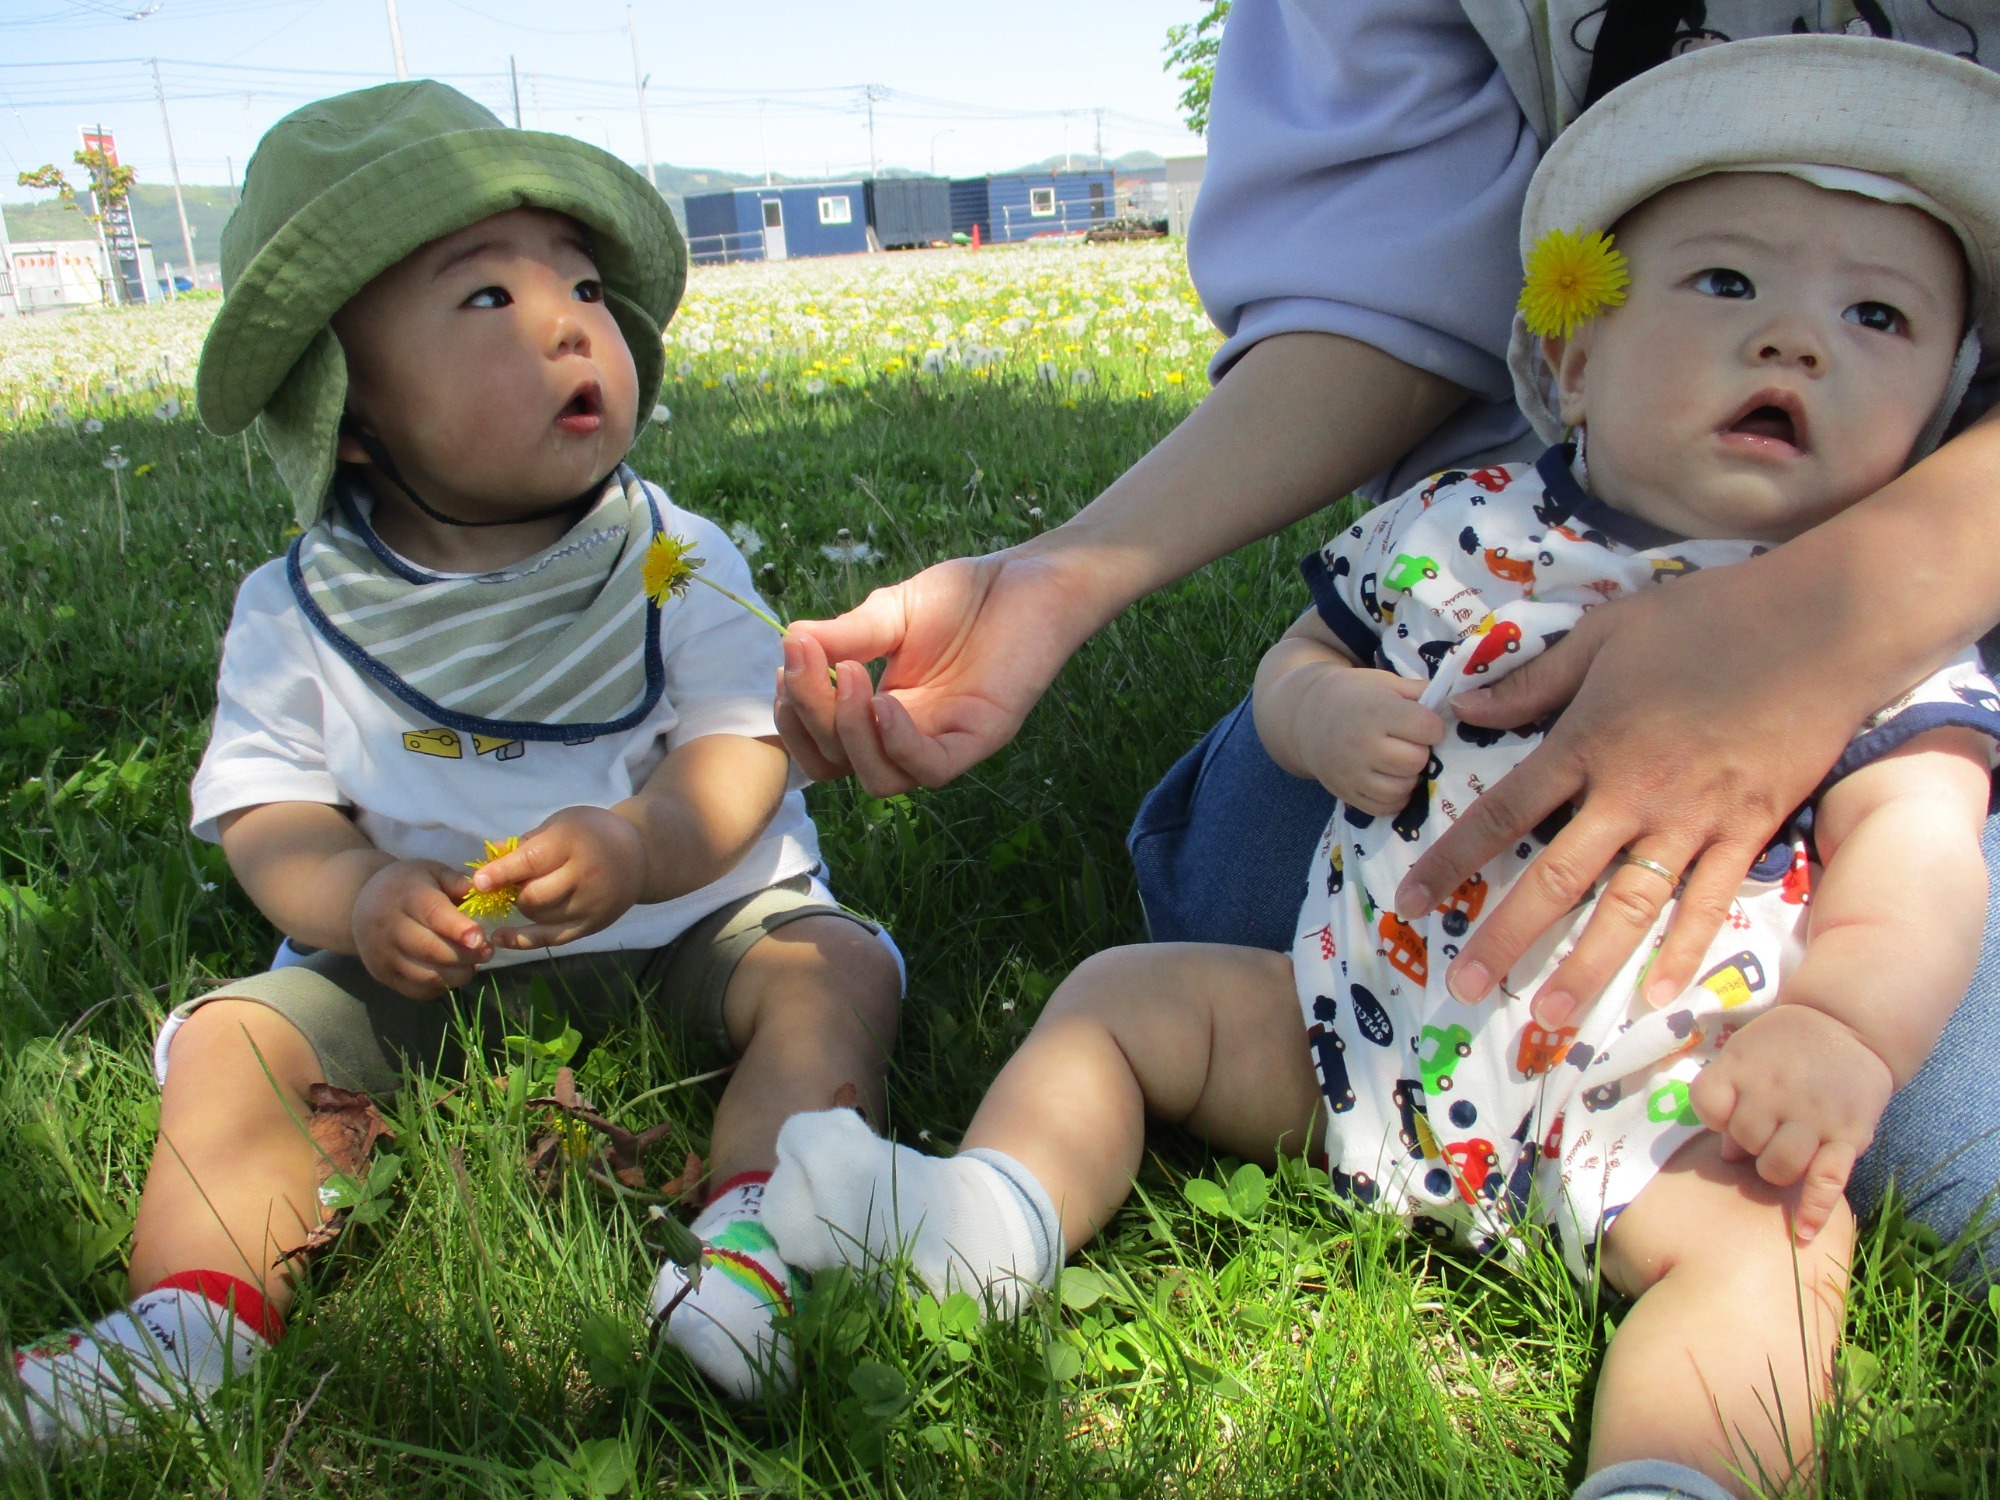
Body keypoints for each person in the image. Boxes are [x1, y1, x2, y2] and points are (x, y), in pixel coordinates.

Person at [755, 36, 2000, 1500]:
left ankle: (1675, 1477)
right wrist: (1317, 719)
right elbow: (1300, 657)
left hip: (1675, 1108)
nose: (1797, 341)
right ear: (1572, 353)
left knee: (1778, 1242)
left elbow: (1921, 851)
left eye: (1877, 315)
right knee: (1122, 1003)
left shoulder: (1900, 638)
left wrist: (1846, 1033)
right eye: (1727, 284)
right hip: (1367, 1029)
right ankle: (990, 1213)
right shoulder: (1462, 526)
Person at [1, 82, 903, 1452]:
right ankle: (192, 1323)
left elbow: (740, 753)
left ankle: (758, 1250)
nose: (566, 320)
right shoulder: (300, 607)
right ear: (346, 407)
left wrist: (644, 846)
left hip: (699, 926)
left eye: (587, 283)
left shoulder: (673, 561)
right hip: (422, 968)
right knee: (239, 1040)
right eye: (484, 298)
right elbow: (268, 812)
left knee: (829, 976)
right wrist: (358, 894)